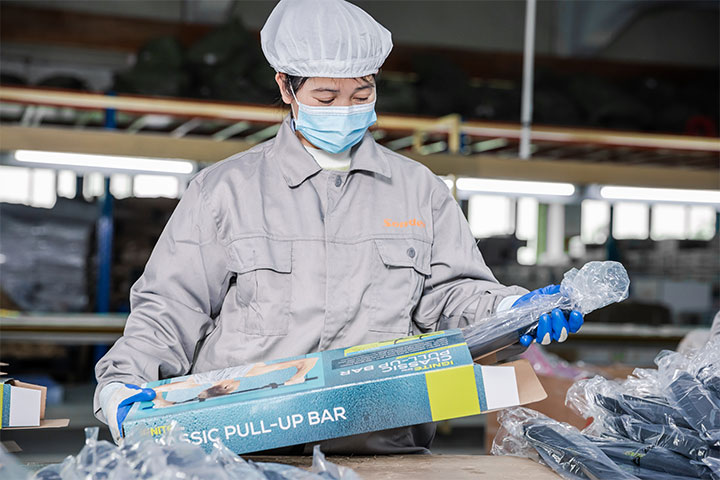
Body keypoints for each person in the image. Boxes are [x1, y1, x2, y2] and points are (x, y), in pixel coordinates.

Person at [95, 0, 584, 453]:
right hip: (248, 444)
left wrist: (508, 309)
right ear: (285, 87)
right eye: (326, 96)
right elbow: (171, 306)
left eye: (361, 93)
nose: (346, 110)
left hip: (381, 443)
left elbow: (452, 296)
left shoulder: (418, 189)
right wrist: (123, 382)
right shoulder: (224, 190)